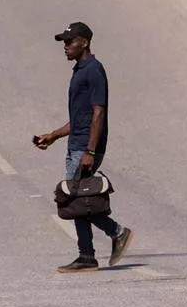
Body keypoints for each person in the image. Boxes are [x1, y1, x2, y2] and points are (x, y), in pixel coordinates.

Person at [33, 21, 132, 273]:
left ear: (84, 43)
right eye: (64, 42)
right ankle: (91, 251)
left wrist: (90, 151)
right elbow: (80, 118)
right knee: (79, 200)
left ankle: (109, 238)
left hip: (84, 148)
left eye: (69, 42)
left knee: (74, 200)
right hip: (76, 144)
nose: (65, 47)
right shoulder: (80, 70)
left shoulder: (94, 70)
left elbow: (98, 114)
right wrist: (54, 135)